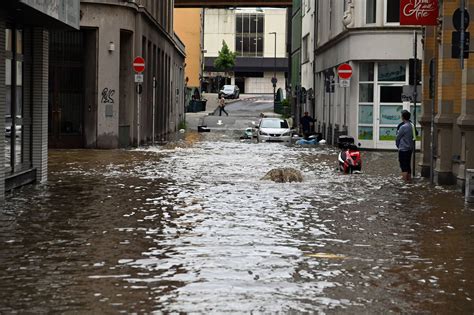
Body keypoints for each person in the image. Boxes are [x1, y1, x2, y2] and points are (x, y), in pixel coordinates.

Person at [396, 110, 416, 182]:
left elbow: (398, 137)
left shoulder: (403, 127)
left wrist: (398, 145)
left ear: (403, 117)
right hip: (410, 149)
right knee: (408, 164)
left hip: (403, 149)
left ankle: (404, 182)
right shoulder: (411, 125)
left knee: (403, 165)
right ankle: (409, 180)